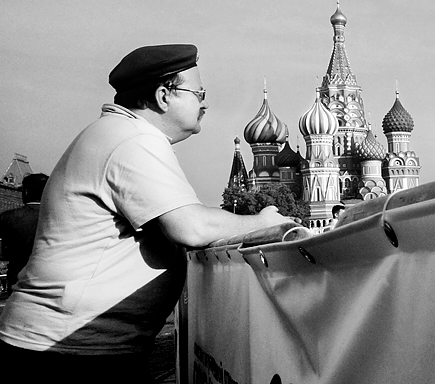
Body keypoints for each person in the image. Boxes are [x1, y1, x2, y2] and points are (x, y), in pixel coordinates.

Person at [0, 44, 299, 381]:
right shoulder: (132, 140)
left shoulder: (119, 134)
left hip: (72, 347)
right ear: (163, 96)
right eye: (198, 93)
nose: (204, 104)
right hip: (67, 353)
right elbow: (191, 227)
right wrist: (265, 222)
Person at [0, 173, 48, 289]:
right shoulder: (62, 218)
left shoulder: (7, 218)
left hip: (19, 279)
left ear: (26, 192)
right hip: (50, 279)